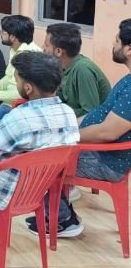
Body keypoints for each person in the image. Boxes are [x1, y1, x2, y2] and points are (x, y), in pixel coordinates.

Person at [0, 52, 80, 261]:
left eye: (16, 79)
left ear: (28, 88)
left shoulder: (19, 118)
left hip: (3, 194)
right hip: (36, 192)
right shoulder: (68, 113)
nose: (15, 83)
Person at [35, 19, 131, 238]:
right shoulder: (127, 80)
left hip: (106, 161)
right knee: (40, 144)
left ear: (129, 49)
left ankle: (63, 221)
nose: (113, 44)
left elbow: (108, 132)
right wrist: (63, 127)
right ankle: (56, 212)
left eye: (117, 40)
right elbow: (97, 113)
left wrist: (66, 137)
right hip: (96, 150)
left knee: (39, 159)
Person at [43, 23, 111, 118]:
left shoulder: (82, 70)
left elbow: (90, 113)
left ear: (58, 51)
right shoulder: (63, 67)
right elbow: (59, 98)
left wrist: (58, 112)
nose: (43, 48)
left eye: (46, 45)